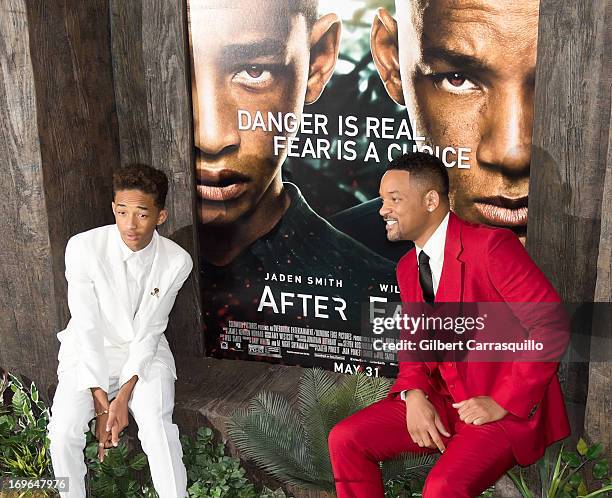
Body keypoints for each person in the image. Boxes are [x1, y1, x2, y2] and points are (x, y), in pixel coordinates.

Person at [328, 153, 570, 498]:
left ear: (430, 200)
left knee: (443, 488)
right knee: (346, 439)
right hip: (443, 401)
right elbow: (413, 343)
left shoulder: (491, 247)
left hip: (498, 410)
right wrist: (413, 394)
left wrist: (502, 401)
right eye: (383, 200)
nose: (383, 210)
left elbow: (552, 325)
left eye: (394, 199)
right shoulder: (408, 267)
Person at [184, 0, 396, 367]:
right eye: (176, 73)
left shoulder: (376, 292)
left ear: (317, 61)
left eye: (254, 71)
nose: (213, 137)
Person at [331, 0, 538, 259]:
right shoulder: (333, 256)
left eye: (558, 81)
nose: (513, 155)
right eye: (458, 79)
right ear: (393, 64)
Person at [48, 164, 193, 498]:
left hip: (145, 352)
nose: (130, 224)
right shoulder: (83, 247)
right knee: (62, 432)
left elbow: (150, 330)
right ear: (114, 208)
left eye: (142, 214)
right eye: (122, 211)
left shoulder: (177, 261)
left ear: (160, 216)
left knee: (157, 425)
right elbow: (86, 325)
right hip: (88, 349)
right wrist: (101, 404)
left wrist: (123, 397)